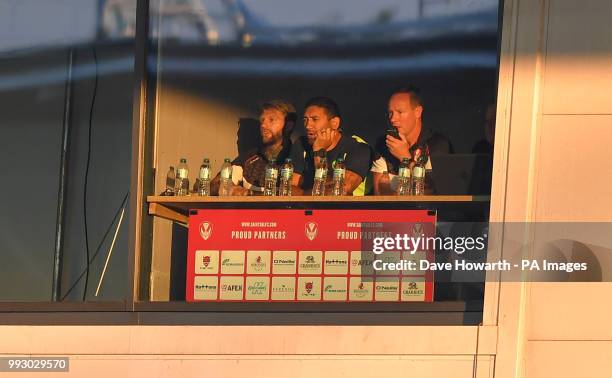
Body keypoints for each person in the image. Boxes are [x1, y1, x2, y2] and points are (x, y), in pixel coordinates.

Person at [371, 85, 453, 195]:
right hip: (392, 211)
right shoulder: (384, 143)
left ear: (417, 112)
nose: (392, 119)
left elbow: (432, 192)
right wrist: (413, 180)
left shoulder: (437, 144)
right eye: (390, 113)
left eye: (399, 112)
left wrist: (405, 158)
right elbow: (380, 192)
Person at [211, 99, 296, 195]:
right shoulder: (250, 157)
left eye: (271, 120)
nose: (263, 125)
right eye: (262, 120)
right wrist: (231, 189)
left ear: (288, 125)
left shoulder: (298, 159)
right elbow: (214, 185)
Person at [290, 97, 372, 195]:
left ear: (334, 123)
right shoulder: (301, 144)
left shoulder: (358, 148)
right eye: (305, 120)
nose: (307, 126)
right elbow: (287, 188)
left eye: (314, 119)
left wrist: (319, 152)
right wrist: (309, 195)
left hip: (346, 210)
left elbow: (339, 192)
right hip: (305, 209)